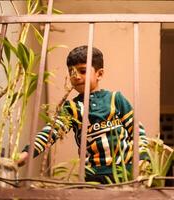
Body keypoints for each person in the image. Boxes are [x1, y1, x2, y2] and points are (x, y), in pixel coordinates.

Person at [18, 45, 149, 184]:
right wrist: (26, 153)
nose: (76, 77)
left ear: (99, 74)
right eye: (71, 72)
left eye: (83, 71)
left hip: (125, 172)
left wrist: (142, 160)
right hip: (92, 175)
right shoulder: (72, 108)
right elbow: (51, 131)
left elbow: (137, 131)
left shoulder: (116, 99)